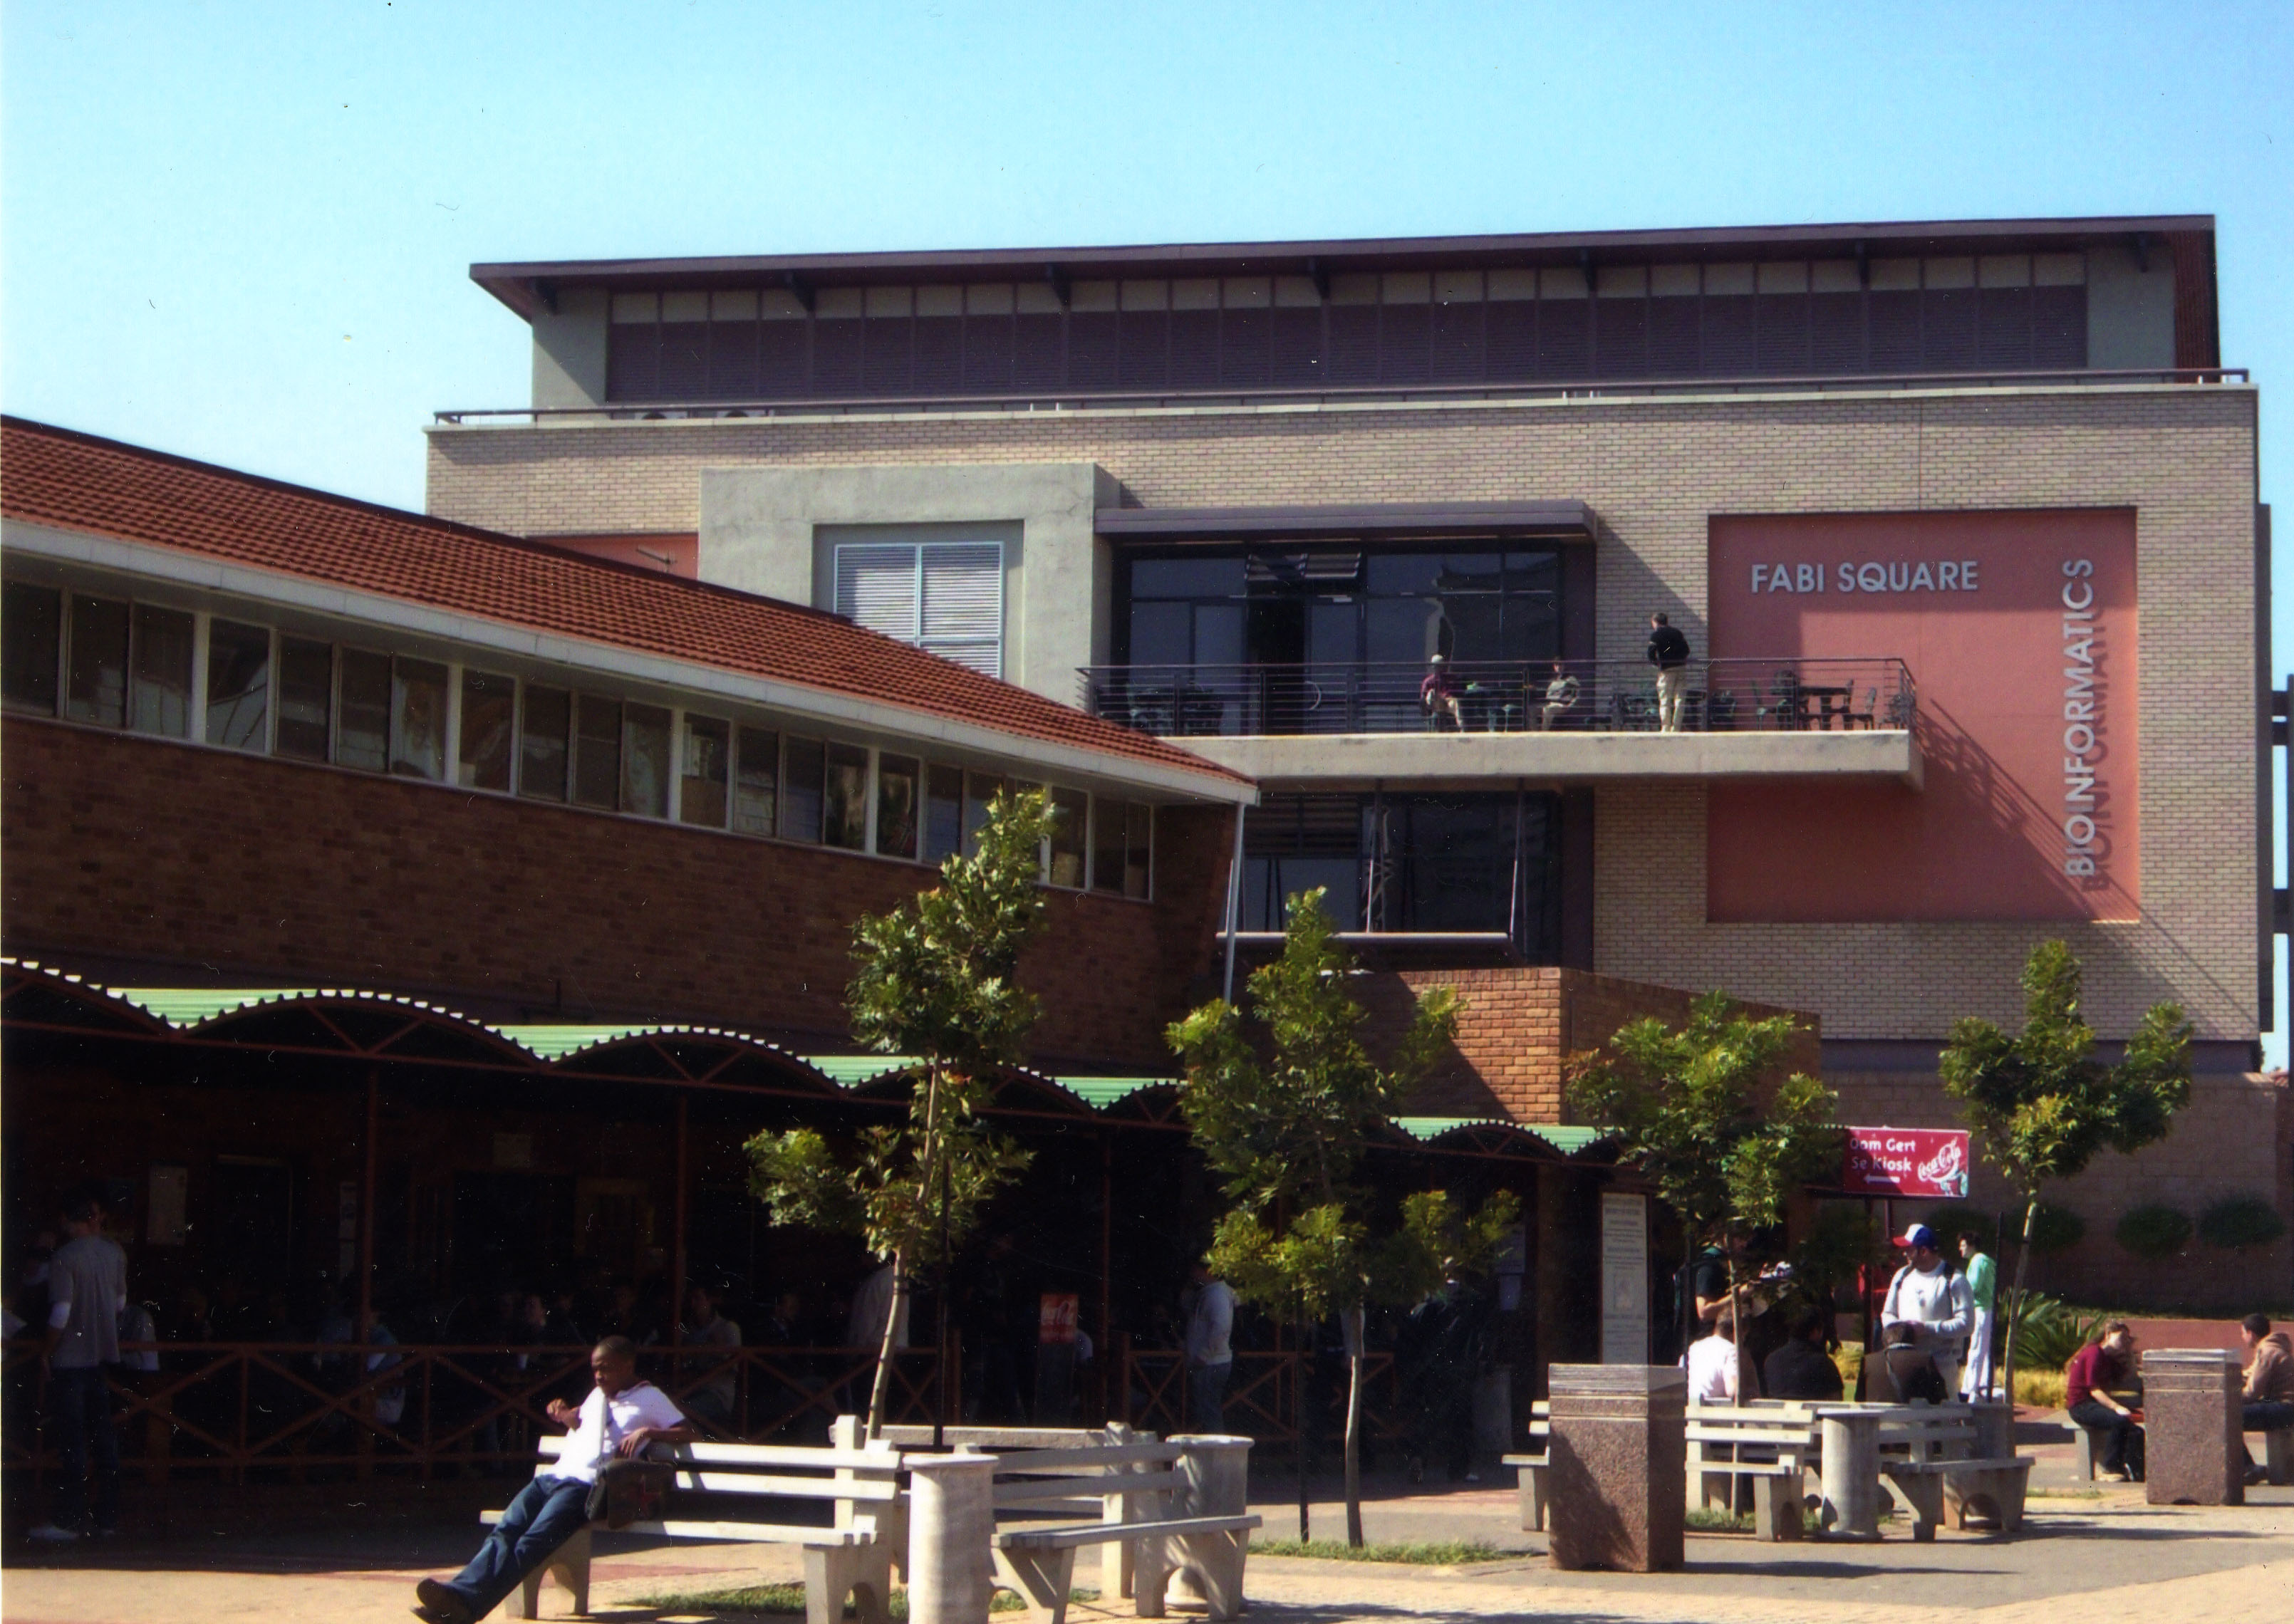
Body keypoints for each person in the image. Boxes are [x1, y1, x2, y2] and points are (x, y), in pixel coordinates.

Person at [412, 1336, 690, 1624]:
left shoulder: (650, 1397)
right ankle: (457, 1596)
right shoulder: (597, 1396)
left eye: (606, 1368)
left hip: (585, 1487)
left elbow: (688, 1431)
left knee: (530, 1544)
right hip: (552, 1478)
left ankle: (465, 1608)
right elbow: (583, 1423)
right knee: (505, 1531)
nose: (598, 1375)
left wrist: (647, 1432)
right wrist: (564, 1415)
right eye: (595, 1369)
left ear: (628, 1365)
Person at [27, 1193, 128, 1542]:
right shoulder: (115, 1253)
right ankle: (106, 1518)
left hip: (70, 1359)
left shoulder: (65, 1257)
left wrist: (46, 1350)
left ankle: (69, 1520)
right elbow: (120, 1303)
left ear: (69, 1220)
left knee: (72, 1442)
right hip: (101, 1356)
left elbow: (61, 1313)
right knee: (104, 1440)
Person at [1879, 1224, 1971, 1398]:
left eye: (1909, 1249)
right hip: (1906, 1366)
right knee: (1909, 1414)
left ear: (1924, 1251)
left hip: (1942, 1367)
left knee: (1944, 1413)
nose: (1904, 1254)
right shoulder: (1901, 1276)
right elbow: (1887, 1313)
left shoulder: (1954, 1279)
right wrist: (1900, 1331)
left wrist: (1927, 1328)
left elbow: (1966, 1325)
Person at [2065, 1321, 2144, 1482]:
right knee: (2118, 1422)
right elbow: (2094, 1390)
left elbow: (2129, 1377)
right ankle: (2111, 1469)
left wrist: (2128, 1352)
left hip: (2093, 1405)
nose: (2124, 1341)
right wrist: (2116, 1407)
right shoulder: (2094, 1353)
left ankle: (2137, 1473)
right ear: (2108, 1335)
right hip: (2080, 1406)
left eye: (2127, 1338)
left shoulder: (2108, 1359)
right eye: (2121, 1337)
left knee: (2136, 1432)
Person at [2238, 1313, 2293, 1483]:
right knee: (2228, 1414)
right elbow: (2249, 1375)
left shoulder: (2267, 1351)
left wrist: (2224, 1400)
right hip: (2285, 1407)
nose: (2243, 1338)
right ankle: (2248, 1467)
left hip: (2284, 1409)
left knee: (2226, 1417)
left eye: (2243, 1333)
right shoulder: (2272, 1348)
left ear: (2251, 1334)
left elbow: (2251, 1393)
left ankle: (2248, 1468)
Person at [680, 1283, 742, 1432]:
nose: (693, 1304)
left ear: (710, 1301)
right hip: (689, 1389)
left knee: (682, 1411)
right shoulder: (687, 1330)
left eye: (698, 1299)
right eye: (690, 1299)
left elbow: (734, 1364)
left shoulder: (728, 1328)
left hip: (717, 1394)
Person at [1184, 1260, 1236, 1430]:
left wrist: (1203, 1355)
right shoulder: (1207, 1294)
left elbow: (1221, 1328)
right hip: (1207, 1362)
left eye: (1195, 1271)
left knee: (1209, 1412)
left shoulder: (1217, 1295)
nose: (1192, 1275)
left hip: (1210, 1363)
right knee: (1205, 1410)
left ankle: (1215, 1445)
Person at [1763, 1309, 1844, 1402]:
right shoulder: (1825, 1364)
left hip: (1778, 1411)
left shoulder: (1771, 1360)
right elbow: (1836, 1402)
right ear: (1815, 1331)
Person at [1958, 1232, 1998, 1400]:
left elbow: (1972, 1287)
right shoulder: (1986, 1261)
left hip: (1981, 1310)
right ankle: (1985, 1384)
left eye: (1963, 1245)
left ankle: (1970, 1388)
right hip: (1988, 1309)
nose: (1960, 1248)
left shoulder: (1977, 1262)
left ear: (1971, 1245)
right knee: (1985, 1349)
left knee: (1976, 1348)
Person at [1646, 612, 1691, 732]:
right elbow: (1687, 650)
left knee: (1665, 700)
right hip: (1681, 668)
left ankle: (1666, 727)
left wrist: (1657, 664)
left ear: (1656, 622)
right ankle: (1676, 728)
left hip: (1666, 670)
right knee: (1680, 700)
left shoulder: (1656, 635)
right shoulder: (1677, 633)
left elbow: (1650, 653)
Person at [1684, 1311, 1738, 1402]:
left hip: (1691, 1405)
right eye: (1744, 1336)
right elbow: (1733, 1391)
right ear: (1734, 1333)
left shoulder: (1695, 1347)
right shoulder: (1731, 1350)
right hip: (1713, 1408)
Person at [1420, 654, 1464, 732]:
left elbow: (1459, 692)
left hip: (1449, 702)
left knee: (1455, 703)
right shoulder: (1429, 681)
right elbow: (1424, 696)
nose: (1438, 668)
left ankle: (1461, 727)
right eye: (1436, 666)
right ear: (1433, 667)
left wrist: (1451, 696)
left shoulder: (1451, 678)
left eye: (1440, 666)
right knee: (1431, 693)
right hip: (1437, 703)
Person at [1538, 662, 1579, 731]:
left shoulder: (1570, 679)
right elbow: (1546, 692)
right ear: (1554, 667)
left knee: (1547, 709)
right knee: (1532, 710)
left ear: (1564, 666)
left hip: (1562, 705)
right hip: (1550, 703)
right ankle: (1534, 733)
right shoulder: (1553, 679)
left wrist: (1570, 705)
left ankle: (1544, 732)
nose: (1558, 667)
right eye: (1556, 665)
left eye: (1560, 665)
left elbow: (1577, 694)